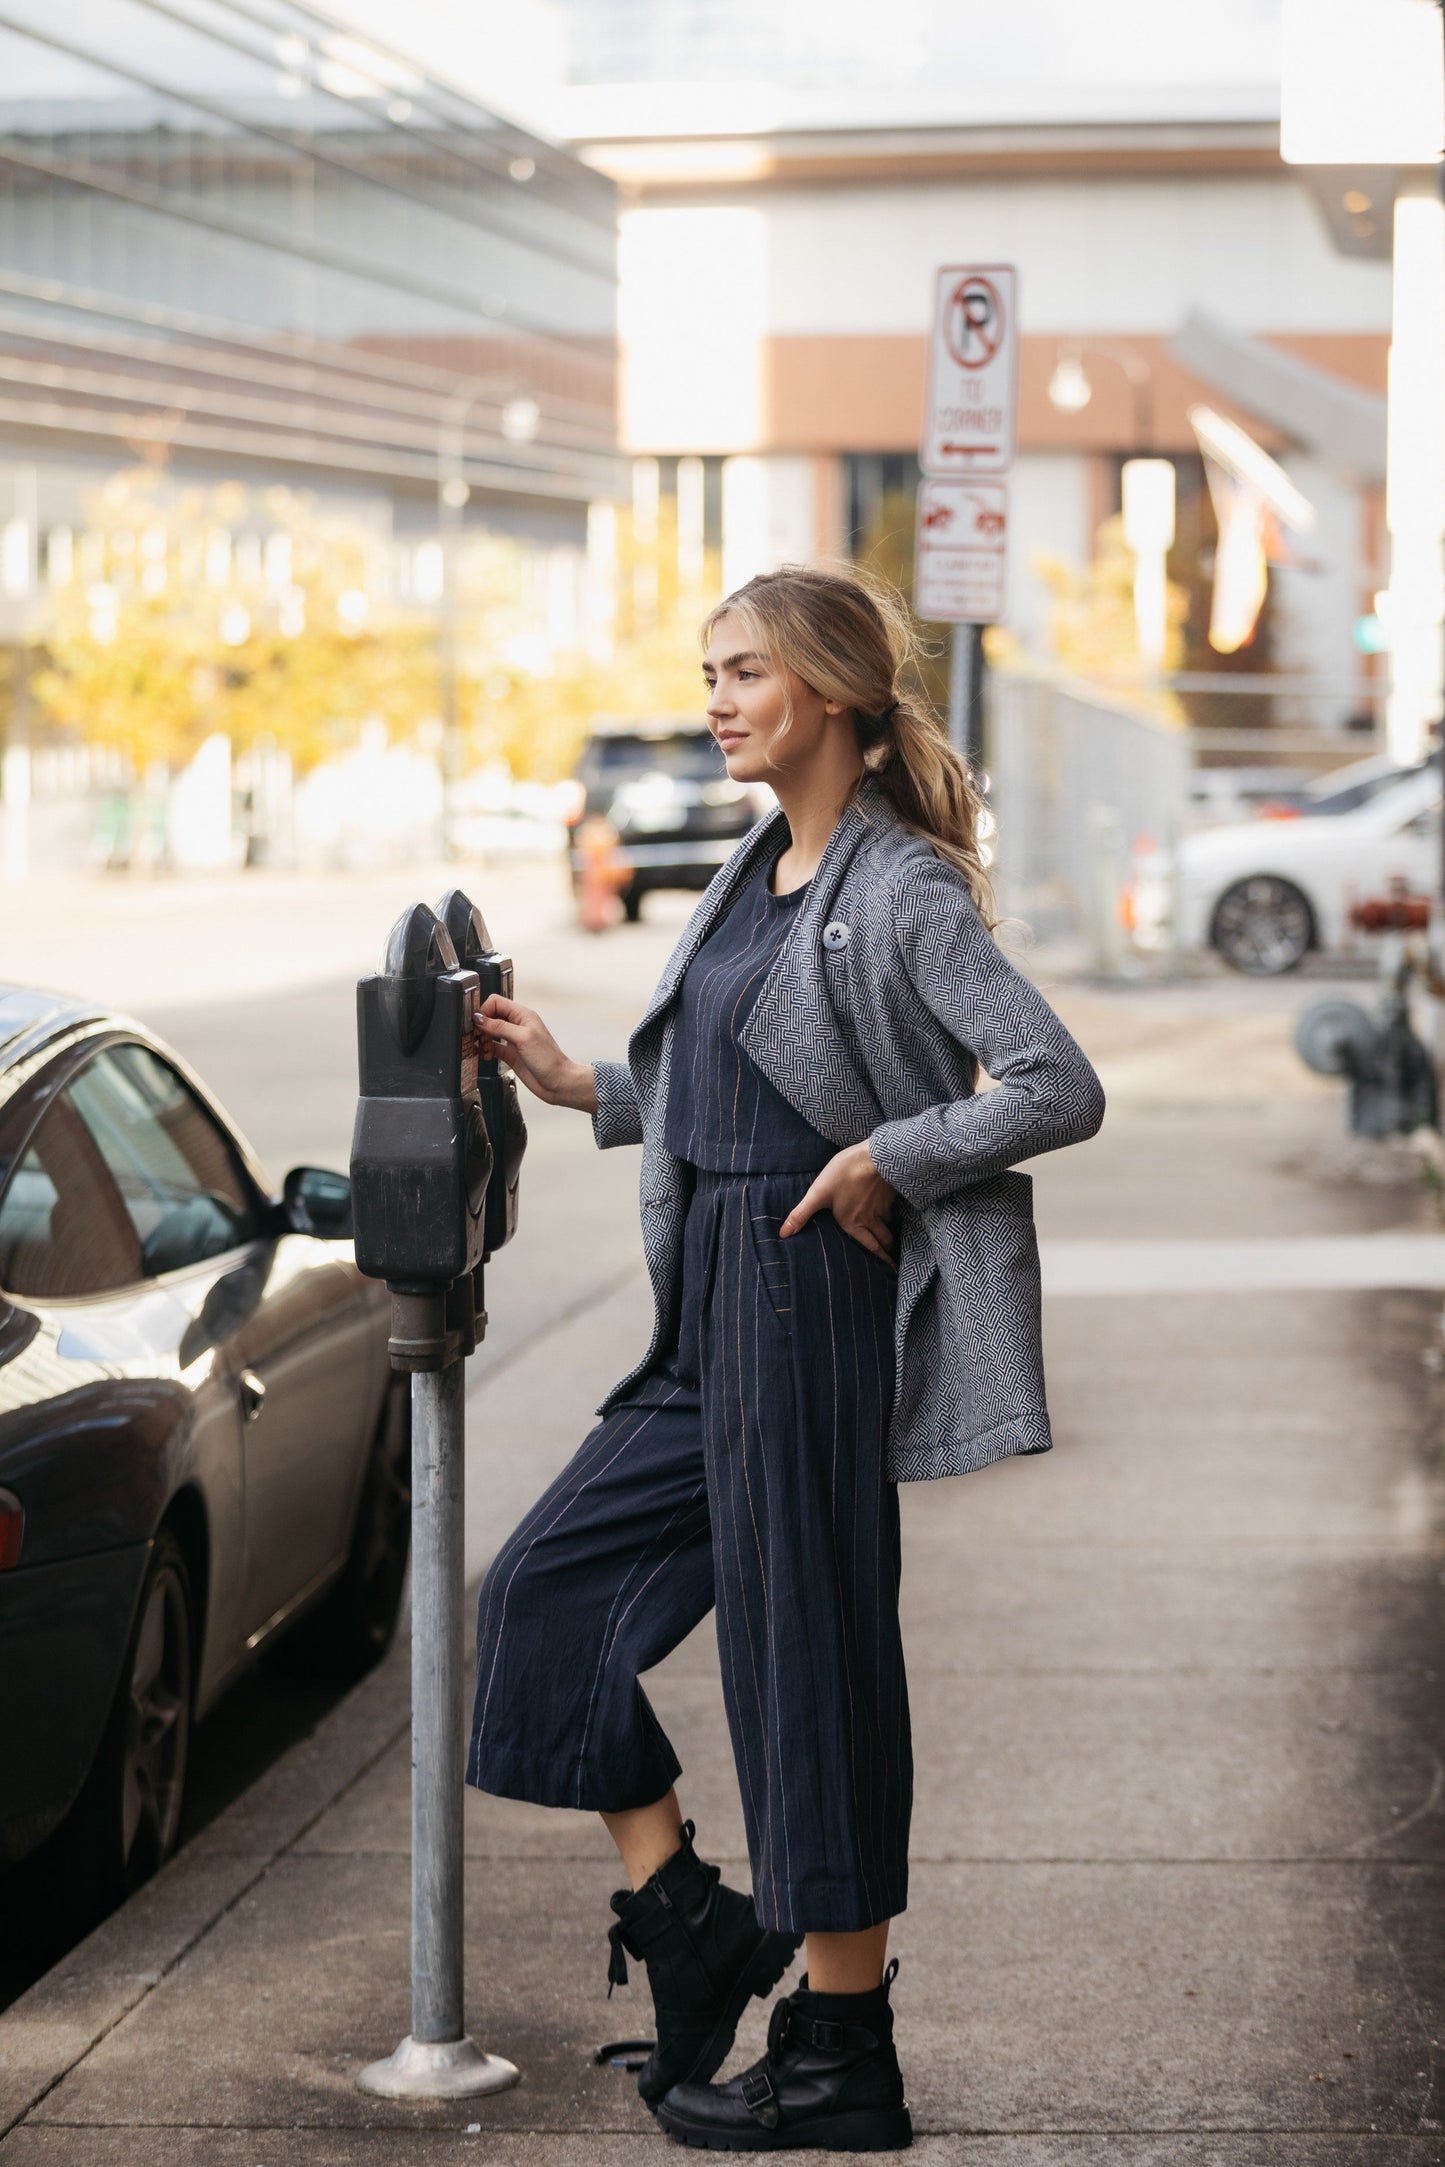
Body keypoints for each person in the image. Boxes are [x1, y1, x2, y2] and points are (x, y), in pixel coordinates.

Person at [467, 563, 1104, 2153]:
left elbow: (1053, 1081)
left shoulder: (897, 889)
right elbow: (725, 1091)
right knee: (539, 1594)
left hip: (810, 1303)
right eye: (709, 670)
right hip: (711, 1312)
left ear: (825, 688)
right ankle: (691, 1923)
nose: (716, 697)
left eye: (743, 670)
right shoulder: (757, 863)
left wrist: (896, 1153)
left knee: (802, 1667)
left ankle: (838, 2052)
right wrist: (579, 1084)